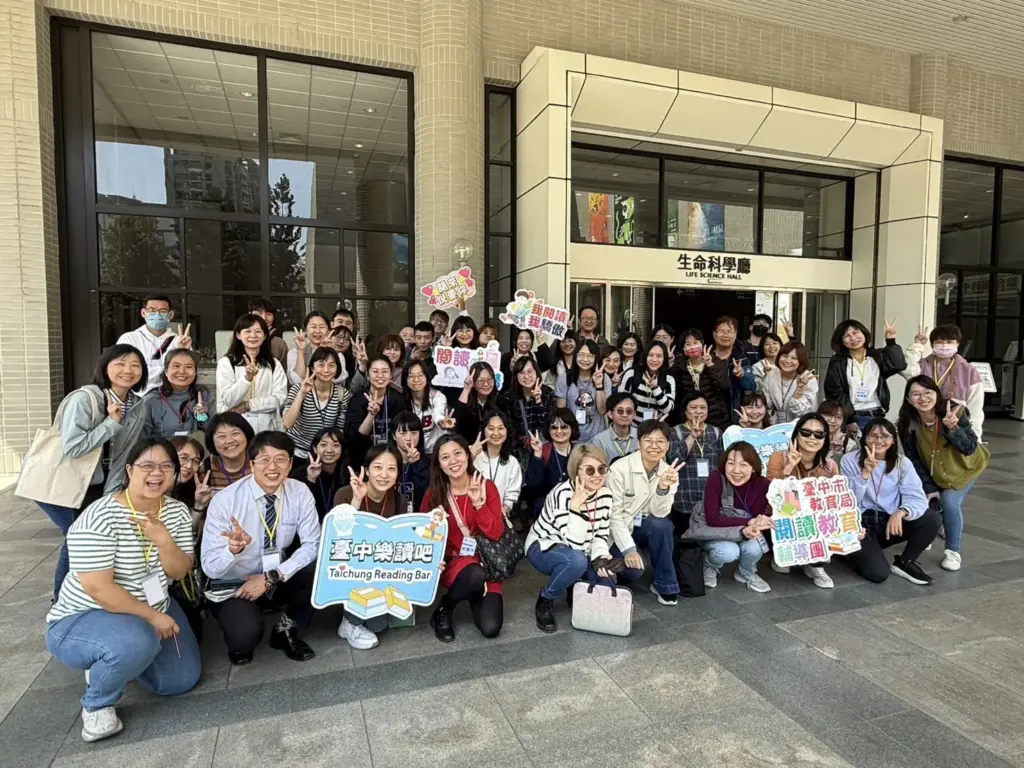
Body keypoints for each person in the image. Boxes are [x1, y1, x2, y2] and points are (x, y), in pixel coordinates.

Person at [45, 438, 200, 742]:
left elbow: (180, 571)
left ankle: (117, 657)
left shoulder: (178, 512)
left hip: (152, 604)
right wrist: (153, 619)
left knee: (179, 680)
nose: (156, 473)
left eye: (166, 466)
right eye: (147, 465)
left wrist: (163, 539)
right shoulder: (99, 516)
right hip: (86, 614)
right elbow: (98, 589)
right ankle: (97, 703)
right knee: (136, 641)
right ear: (129, 470)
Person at [35, 344, 149, 602]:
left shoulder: (138, 406)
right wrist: (111, 423)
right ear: (105, 367)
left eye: (135, 365)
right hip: (63, 483)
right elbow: (74, 448)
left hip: (100, 483)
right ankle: (61, 600)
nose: (128, 370)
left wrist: (112, 494)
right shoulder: (84, 399)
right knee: (77, 537)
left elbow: (124, 454)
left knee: (91, 537)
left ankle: (88, 594)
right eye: (120, 363)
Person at [202, 431, 320, 665]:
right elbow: (210, 568)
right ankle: (241, 619)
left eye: (280, 459)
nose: (272, 467)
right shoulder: (226, 501)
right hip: (235, 582)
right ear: (252, 464)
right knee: (243, 639)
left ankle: (285, 629)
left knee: (318, 567)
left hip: (275, 576)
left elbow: (313, 544)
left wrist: (271, 577)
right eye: (264, 459)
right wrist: (232, 550)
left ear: (290, 464)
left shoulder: (299, 491)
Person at [526, 444, 622, 632]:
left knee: (608, 577)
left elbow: (601, 535)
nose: (597, 475)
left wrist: (600, 557)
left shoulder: (606, 495)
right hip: (544, 545)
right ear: (575, 471)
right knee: (576, 562)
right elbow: (574, 543)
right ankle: (546, 598)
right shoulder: (562, 493)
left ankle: (573, 584)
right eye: (589, 470)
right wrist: (576, 508)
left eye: (602, 469)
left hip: (581, 548)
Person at [898, 376, 988, 572]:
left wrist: (953, 428)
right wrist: (928, 487)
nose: (922, 398)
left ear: (937, 395)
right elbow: (914, 459)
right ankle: (931, 531)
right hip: (936, 471)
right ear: (908, 399)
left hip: (965, 468)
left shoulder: (956, 411)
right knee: (930, 501)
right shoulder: (907, 422)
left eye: (928, 392)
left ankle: (952, 551)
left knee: (949, 501)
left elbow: (970, 447)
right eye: (916, 394)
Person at [421, 435, 505, 642]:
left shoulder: (487, 487)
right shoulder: (435, 493)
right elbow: (423, 535)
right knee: (474, 574)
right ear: (439, 465)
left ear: (467, 455)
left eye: (458, 453)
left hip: (488, 563)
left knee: (491, 628)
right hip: (454, 563)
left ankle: (472, 593)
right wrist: (434, 526)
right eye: (445, 457)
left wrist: (479, 505)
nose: (453, 461)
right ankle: (445, 608)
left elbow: (496, 532)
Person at [840, 419, 940, 584]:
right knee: (878, 574)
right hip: (861, 525)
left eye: (885, 436)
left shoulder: (902, 463)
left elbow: (916, 495)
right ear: (864, 437)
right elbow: (847, 500)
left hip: (889, 522)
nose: (879, 441)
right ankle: (851, 553)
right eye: (873, 435)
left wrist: (901, 512)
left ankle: (905, 562)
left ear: (893, 440)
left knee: (931, 518)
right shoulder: (849, 460)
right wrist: (864, 474)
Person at [333, 443, 404, 650]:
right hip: (351, 567)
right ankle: (348, 622)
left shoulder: (399, 499)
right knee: (367, 617)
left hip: (381, 569)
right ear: (367, 469)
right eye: (378, 467)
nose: (384, 474)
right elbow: (338, 539)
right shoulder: (345, 494)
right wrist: (356, 501)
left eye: (391, 468)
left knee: (379, 624)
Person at [606, 420, 682, 605]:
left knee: (662, 525)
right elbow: (613, 516)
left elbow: (660, 512)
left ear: (667, 446)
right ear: (638, 443)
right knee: (634, 570)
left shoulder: (670, 471)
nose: (654, 446)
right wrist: (630, 550)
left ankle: (665, 585)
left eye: (660, 441)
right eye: (648, 441)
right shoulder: (619, 468)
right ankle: (611, 578)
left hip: (643, 526)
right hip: (617, 531)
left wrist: (663, 487)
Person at [684, 442, 773, 593]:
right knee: (728, 551)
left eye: (743, 465)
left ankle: (745, 572)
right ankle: (709, 565)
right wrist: (746, 524)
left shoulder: (763, 484)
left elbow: (777, 506)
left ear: (753, 468)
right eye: (730, 463)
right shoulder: (716, 478)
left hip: (745, 531)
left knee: (755, 547)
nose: (736, 470)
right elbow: (713, 519)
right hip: (715, 531)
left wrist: (756, 523)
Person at [764, 413, 837, 589]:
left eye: (819, 434)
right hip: (782, 516)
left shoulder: (830, 466)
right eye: (806, 432)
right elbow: (771, 493)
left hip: (813, 519)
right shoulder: (779, 457)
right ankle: (784, 552)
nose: (812, 438)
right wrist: (788, 468)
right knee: (791, 501)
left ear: (825, 439)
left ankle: (815, 564)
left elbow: (835, 501)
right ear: (796, 434)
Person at [903, 324, 985, 439]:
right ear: (932, 345)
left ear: (958, 344)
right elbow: (907, 370)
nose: (944, 345)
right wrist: (918, 345)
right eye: (940, 342)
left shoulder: (969, 371)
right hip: (924, 423)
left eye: (950, 341)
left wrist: (975, 436)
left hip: (956, 425)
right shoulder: (923, 366)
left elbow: (975, 407)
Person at [824, 319, 906, 430]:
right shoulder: (838, 361)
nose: (853, 338)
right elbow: (834, 392)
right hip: (853, 417)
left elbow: (898, 365)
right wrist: (849, 419)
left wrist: (890, 341)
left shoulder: (877, 356)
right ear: (841, 341)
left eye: (855, 332)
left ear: (863, 332)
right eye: (846, 336)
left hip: (877, 414)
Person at [216, 314, 288, 433]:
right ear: (238, 335)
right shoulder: (227, 363)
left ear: (265, 336)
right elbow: (228, 400)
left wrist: (249, 405)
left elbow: (279, 399)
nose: (253, 335)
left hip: (267, 430)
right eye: (247, 331)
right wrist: (246, 379)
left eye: (258, 331)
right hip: (234, 429)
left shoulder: (273, 364)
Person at [282, 346, 351, 464]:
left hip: (325, 455)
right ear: (312, 367)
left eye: (331, 365)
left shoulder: (342, 394)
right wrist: (302, 394)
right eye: (321, 365)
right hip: (298, 452)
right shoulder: (298, 389)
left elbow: (339, 430)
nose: (326, 370)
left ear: (337, 369)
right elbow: (287, 423)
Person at [117, 294, 192, 396]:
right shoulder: (130, 339)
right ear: (143, 313)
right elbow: (127, 372)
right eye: (152, 310)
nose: (157, 315)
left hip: (170, 398)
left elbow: (186, 374)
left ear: (170, 315)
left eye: (162, 311)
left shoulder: (178, 341)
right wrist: (166, 371)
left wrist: (181, 351)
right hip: (137, 398)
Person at [668, 393, 723, 529]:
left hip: (711, 497)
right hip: (685, 496)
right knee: (687, 541)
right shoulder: (675, 432)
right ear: (685, 411)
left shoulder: (716, 432)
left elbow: (723, 465)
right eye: (693, 407)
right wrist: (692, 437)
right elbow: (674, 460)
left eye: (703, 408)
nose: (698, 411)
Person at [344, 356, 406, 467]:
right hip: (363, 459)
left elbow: (403, 432)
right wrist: (371, 415)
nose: (380, 375)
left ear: (391, 375)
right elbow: (355, 439)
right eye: (375, 371)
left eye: (385, 371)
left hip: (391, 458)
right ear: (368, 375)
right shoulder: (358, 399)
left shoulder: (398, 399)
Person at [523, 408, 579, 526]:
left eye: (564, 427)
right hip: (547, 508)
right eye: (554, 427)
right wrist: (537, 453)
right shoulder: (544, 450)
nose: (559, 431)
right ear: (548, 430)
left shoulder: (579, 452)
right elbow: (532, 484)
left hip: (575, 504)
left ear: (572, 428)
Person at [140, 348, 210, 440]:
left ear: (195, 372)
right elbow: (141, 439)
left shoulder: (202, 395)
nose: (182, 371)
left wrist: (203, 418)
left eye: (189, 367)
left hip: (194, 452)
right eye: (176, 366)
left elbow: (213, 431)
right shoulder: (151, 400)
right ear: (166, 371)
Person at [472, 409, 523, 519]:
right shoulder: (472, 455)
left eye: (500, 428)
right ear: (483, 431)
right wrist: (470, 457)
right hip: (472, 514)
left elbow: (512, 495)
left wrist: (503, 511)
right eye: (491, 428)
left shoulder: (512, 462)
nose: (496, 433)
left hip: (498, 517)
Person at [555, 339, 608, 443]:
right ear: (575, 356)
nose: (585, 359)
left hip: (598, 438)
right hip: (572, 438)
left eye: (590, 356)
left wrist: (599, 386)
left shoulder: (604, 378)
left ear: (596, 358)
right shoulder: (565, 378)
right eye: (581, 355)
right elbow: (561, 412)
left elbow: (602, 410)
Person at [676, 329, 731, 429]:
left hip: (716, 417)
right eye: (688, 344)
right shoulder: (679, 366)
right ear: (684, 348)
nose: (692, 347)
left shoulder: (715, 361)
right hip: (691, 418)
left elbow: (724, 386)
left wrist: (710, 365)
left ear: (702, 344)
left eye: (695, 343)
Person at [499, 356, 555, 452]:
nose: (526, 376)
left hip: (542, 449)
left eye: (530, 372)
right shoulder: (509, 397)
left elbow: (547, 426)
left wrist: (538, 401)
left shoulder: (548, 394)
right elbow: (509, 429)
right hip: (518, 451)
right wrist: (525, 442)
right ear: (516, 376)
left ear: (536, 372)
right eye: (522, 373)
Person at [710, 316, 756, 424]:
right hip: (708, 415)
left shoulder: (742, 359)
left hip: (733, 416)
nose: (725, 335)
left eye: (730, 331)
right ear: (714, 334)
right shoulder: (706, 357)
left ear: (735, 335)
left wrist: (742, 375)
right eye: (721, 331)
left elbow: (751, 388)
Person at [297, 426, 348, 521]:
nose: (329, 450)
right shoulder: (300, 473)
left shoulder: (348, 474)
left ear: (342, 449)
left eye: (335, 445)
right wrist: (311, 480)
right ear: (315, 449)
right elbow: (296, 508)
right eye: (323, 445)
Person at [760, 341, 818, 424]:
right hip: (775, 425)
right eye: (784, 356)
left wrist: (798, 391)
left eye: (794, 358)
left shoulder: (808, 378)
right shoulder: (772, 374)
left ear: (801, 361)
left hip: (800, 425)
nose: (787, 361)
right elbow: (766, 403)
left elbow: (804, 411)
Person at [620, 340, 676, 425]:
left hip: (655, 429)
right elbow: (620, 402)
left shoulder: (668, 380)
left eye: (659, 356)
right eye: (651, 355)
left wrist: (655, 388)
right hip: (631, 427)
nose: (654, 359)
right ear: (645, 356)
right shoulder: (631, 374)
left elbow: (667, 409)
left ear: (664, 358)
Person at [403, 359, 450, 453]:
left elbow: (438, 412)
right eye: (411, 376)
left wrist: (441, 422)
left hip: (437, 451)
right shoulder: (402, 400)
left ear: (426, 377)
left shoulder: (437, 396)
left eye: (420, 375)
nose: (416, 379)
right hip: (412, 451)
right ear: (405, 380)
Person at [204, 412, 255, 493]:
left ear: (246, 434)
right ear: (212, 441)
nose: (230, 440)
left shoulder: (260, 463)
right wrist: (199, 504)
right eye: (221, 436)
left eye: (235, 433)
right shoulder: (205, 468)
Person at [391, 412, 431, 513]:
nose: (409, 438)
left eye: (414, 433)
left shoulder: (429, 463)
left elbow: (427, 493)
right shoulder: (387, 462)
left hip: (419, 517)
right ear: (393, 435)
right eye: (403, 433)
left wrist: (417, 464)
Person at [453, 361, 500, 443]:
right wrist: (466, 389)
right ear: (473, 383)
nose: (486, 384)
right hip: (467, 448)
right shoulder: (465, 400)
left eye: (489, 380)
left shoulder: (499, 401)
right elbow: (457, 421)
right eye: (480, 381)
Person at [590, 392, 639, 465]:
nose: (625, 415)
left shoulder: (641, 436)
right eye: (620, 411)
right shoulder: (599, 441)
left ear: (634, 414)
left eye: (629, 411)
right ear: (610, 414)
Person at [287, 311, 333, 388]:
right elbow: (297, 381)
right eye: (313, 327)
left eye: (321, 327)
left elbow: (335, 379)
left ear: (328, 331)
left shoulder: (337, 355)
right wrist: (301, 351)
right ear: (306, 330)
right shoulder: (293, 353)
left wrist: (323, 351)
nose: (318, 331)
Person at [248, 298, 289, 370]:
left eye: (268, 314)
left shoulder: (279, 344)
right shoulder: (242, 338)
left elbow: (283, 372)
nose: (264, 318)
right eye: (259, 313)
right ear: (250, 314)